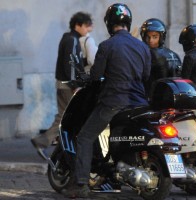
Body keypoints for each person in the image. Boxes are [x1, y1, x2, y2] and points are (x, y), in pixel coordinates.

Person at [62, 3, 151, 198]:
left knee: (85, 137)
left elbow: (95, 76)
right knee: (117, 137)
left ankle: (81, 184)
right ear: (128, 22)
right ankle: (113, 174)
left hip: (113, 101)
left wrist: (82, 77)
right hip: (139, 103)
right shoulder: (143, 47)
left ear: (110, 24)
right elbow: (146, 75)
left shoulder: (106, 46)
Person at [30, 12, 93, 159]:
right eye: (86, 26)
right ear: (78, 25)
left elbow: (74, 62)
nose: (89, 29)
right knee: (64, 117)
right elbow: (69, 65)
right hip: (67, 86)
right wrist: (75, 84)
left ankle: (61, 144)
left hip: (65, 84)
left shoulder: (70, 39)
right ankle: (43, 141)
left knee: (66, 117)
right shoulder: (71, 40)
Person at [140, 18, 182, 97]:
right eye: (148, 37)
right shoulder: (174, 55)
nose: (150, 40)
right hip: (173, 96)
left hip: (154, 98)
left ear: (161, 37)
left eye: (154, 37)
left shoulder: (147, 54)